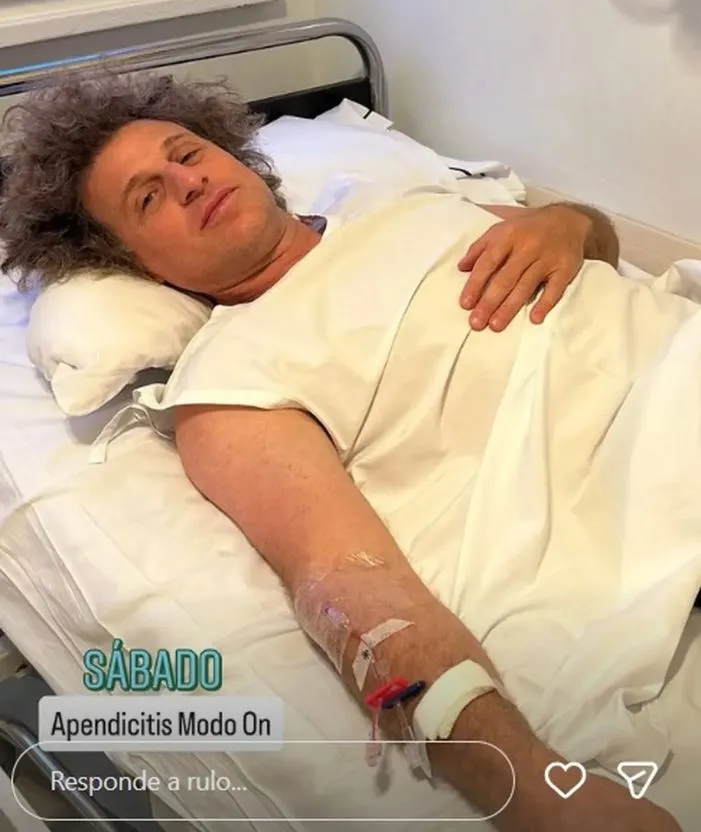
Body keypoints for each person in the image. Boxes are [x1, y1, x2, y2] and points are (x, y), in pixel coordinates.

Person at [0, 70, 687, 832]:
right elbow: (351, 591)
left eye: (185, 155)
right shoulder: (231, 383)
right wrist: (533, 791)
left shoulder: (399, 205)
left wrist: (566, 223)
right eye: (148, 198)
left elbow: (596, 242)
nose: (188, 183)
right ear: (134, 264)